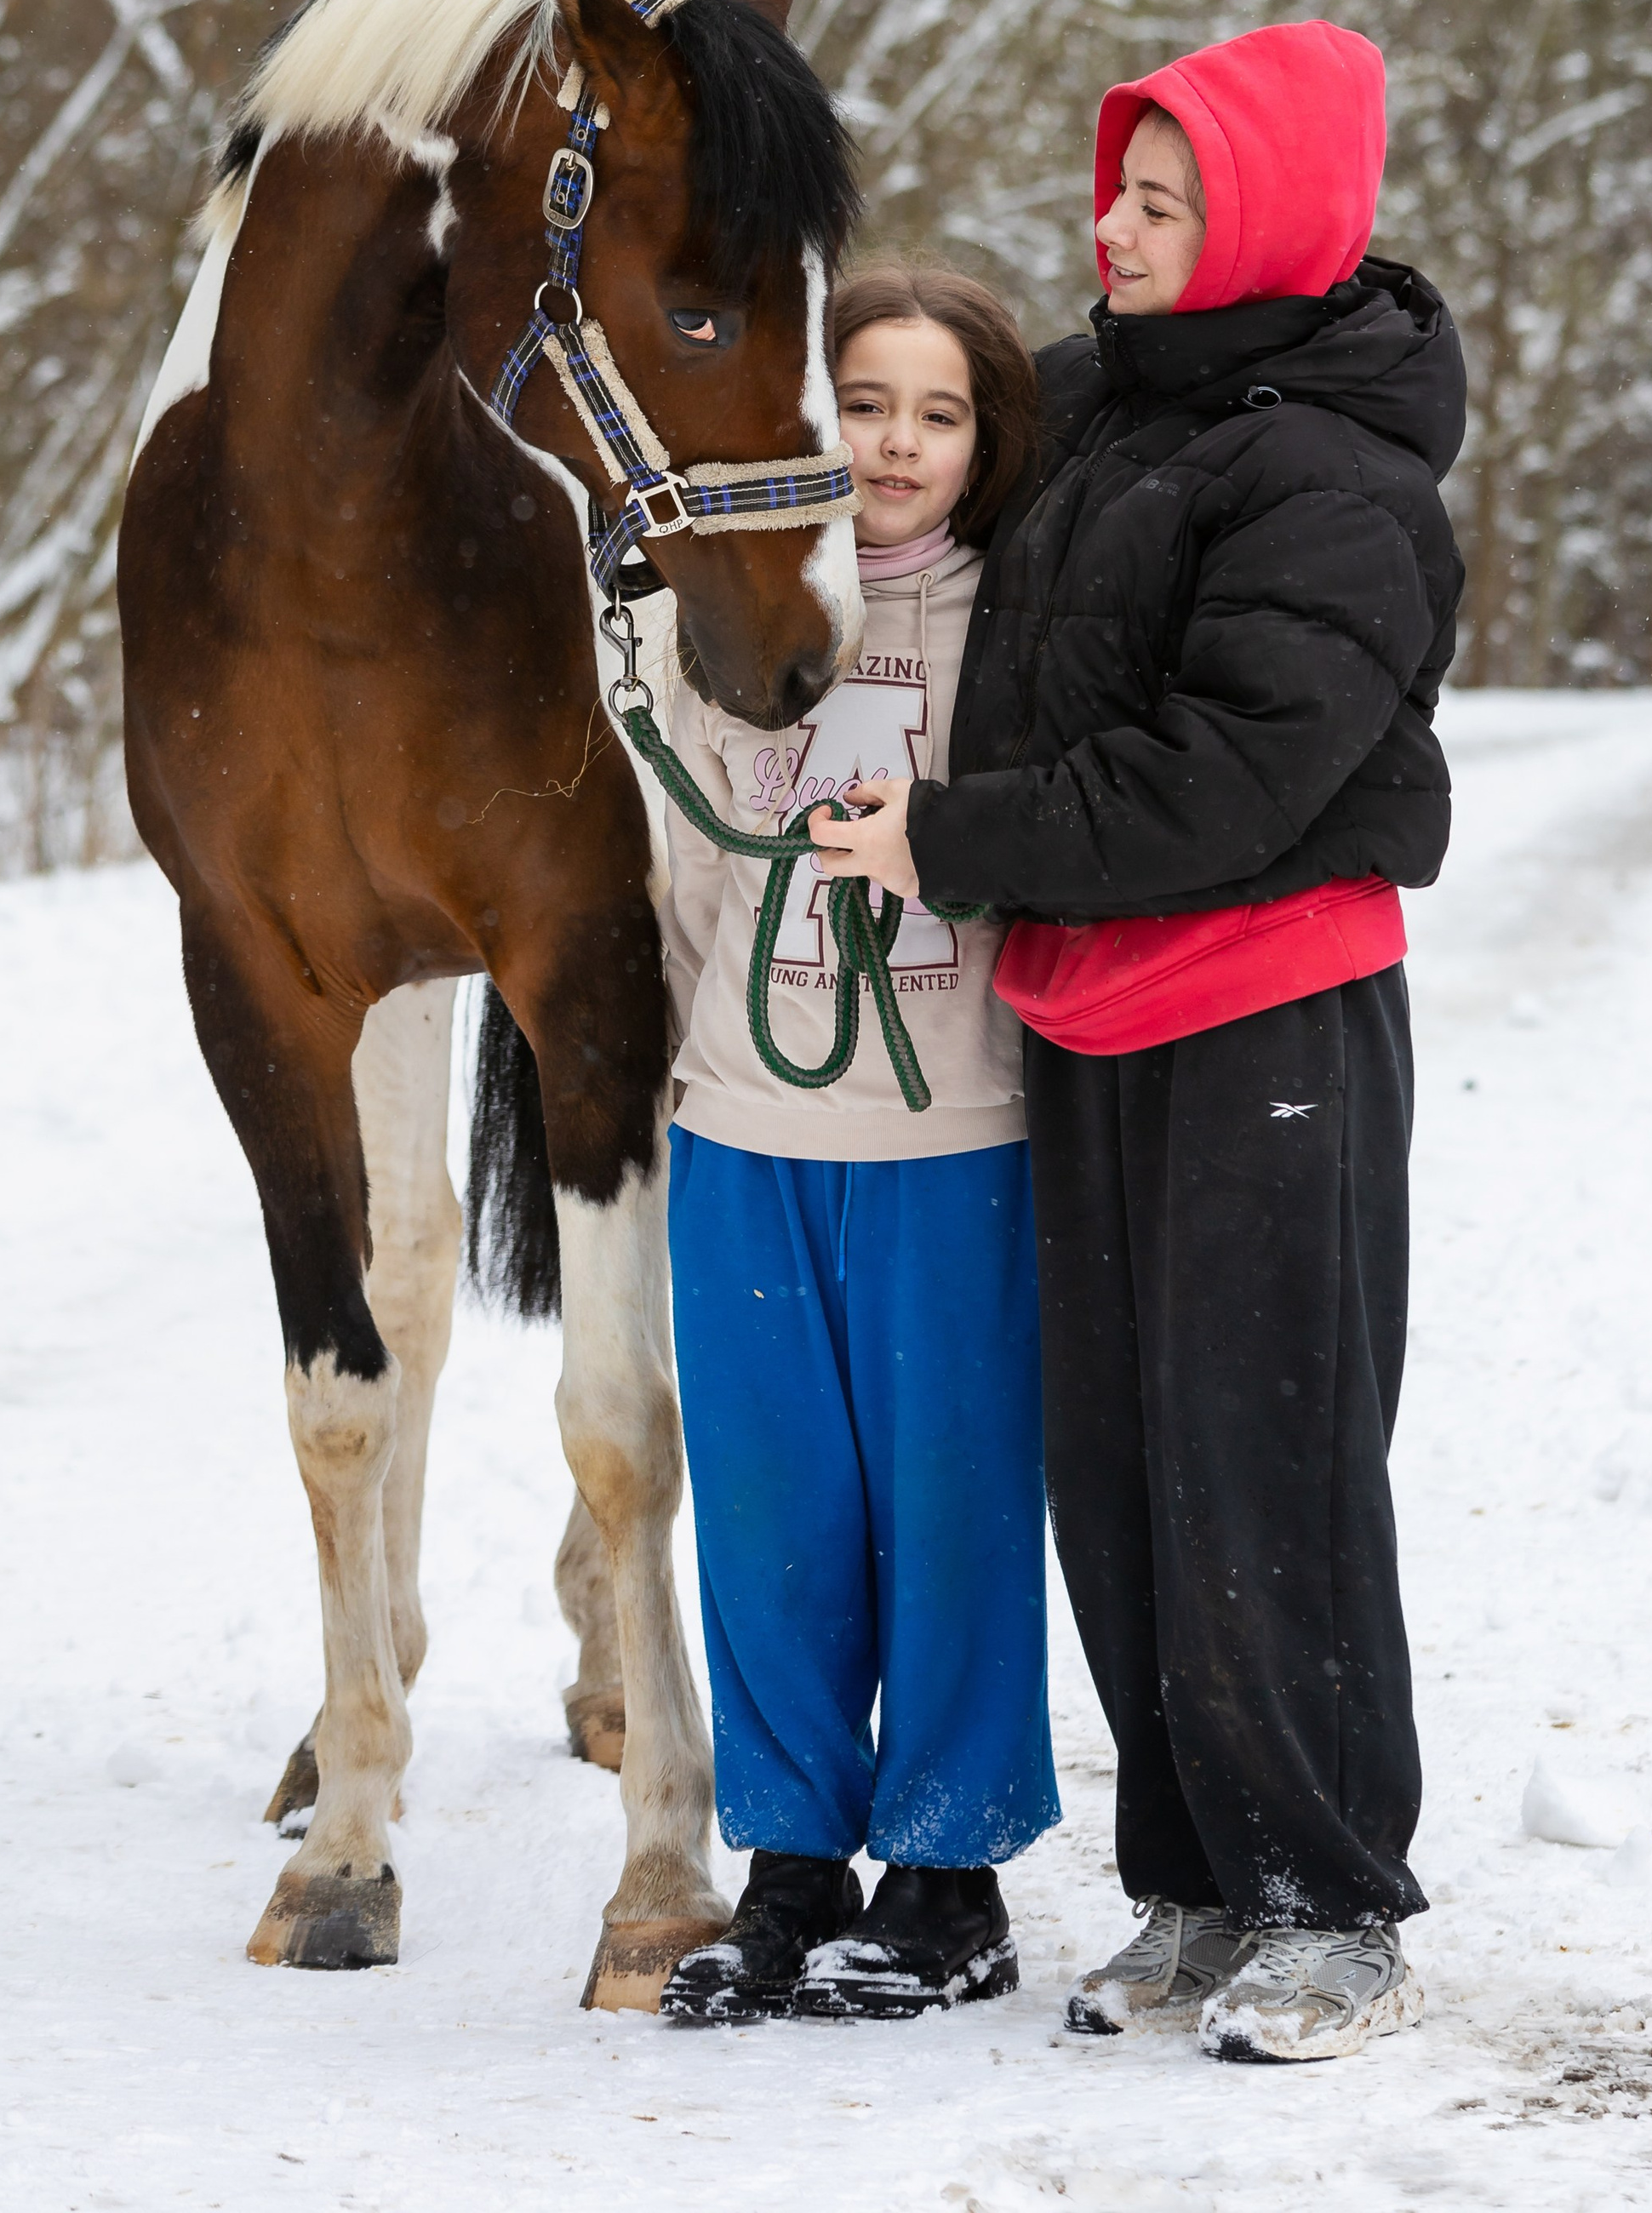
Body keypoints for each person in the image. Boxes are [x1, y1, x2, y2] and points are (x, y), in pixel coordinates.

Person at [811, 22, 1464, 2066]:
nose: (1115, 224)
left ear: (1261, 218)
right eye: (1118, 186)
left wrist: (945, 838)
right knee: (1115, 1468)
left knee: (1260, 1454)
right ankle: (1192, 1885)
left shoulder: (1334, 474)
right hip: (1086, 1013)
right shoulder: (1094, 404)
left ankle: (1329, 1901)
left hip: (1266, 1011)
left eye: (1165, 201)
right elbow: (889, 503)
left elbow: (1224, 776)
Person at [656, 264, 1057, 2027]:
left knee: (950, 1510)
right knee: (768, 1520)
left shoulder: (1019, 628)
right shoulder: (715, 626)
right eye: (865, 403)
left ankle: (950, 1876)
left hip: (954, 1131)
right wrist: (689, 1082)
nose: (893, 443)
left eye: (937, 411)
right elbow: (674, 882)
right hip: (742, 1128)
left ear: (984, 442)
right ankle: (790, 1867)